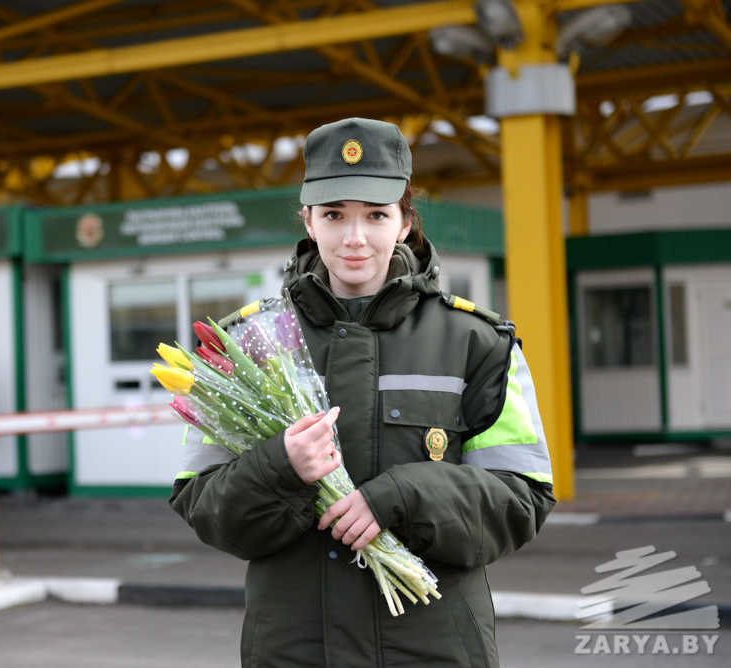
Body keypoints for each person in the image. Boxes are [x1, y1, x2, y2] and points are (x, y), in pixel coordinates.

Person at [170, 118, 556, 667]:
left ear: (404, 223)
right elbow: (201, 503)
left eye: (376, 215)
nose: (355, 238)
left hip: (433, 652)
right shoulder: (243, 346)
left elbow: (522, 500)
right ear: (308, 219)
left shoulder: (477, 343)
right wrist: (281, 466)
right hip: (295, 652)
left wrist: (403, 496)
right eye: (334, 215)